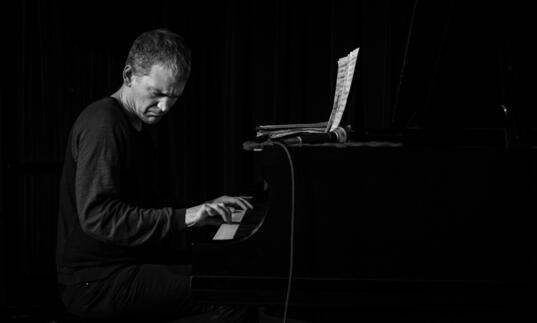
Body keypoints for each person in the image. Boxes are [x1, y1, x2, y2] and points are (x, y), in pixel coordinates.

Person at [56, 28, 255, 322]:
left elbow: (147, 205)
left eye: (173, 97)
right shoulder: (104, 124)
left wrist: (204, 210)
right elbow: (99, 217)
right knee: (228, 295)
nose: (164, 107)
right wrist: (186, 216)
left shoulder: (135, 127)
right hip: (97, 282)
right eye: (157, 93)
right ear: (128, 76)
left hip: (130, 263)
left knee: (229, 278)